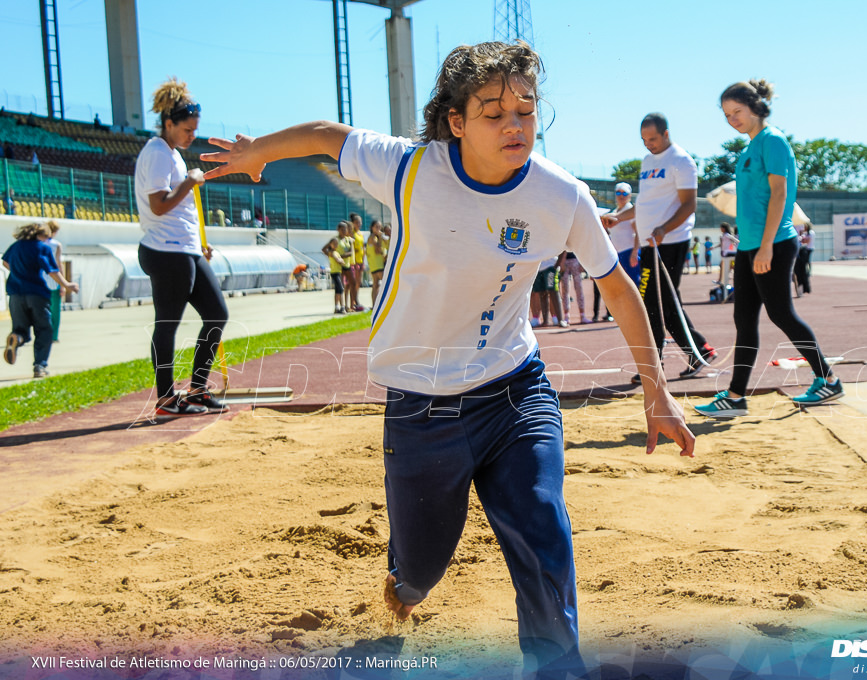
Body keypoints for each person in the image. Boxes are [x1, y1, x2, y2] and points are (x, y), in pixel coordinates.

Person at [202, 40, 694, 680]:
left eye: (525, 109)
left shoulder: (561, 195)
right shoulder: (409, 168)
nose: (515, 125)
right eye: (493, 113)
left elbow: (619, 289)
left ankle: (558, 666)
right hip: (421, 406)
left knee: (542, 527)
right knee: (422, 569)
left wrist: (658, 392)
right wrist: (255, 152)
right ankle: (403, 584)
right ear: (456, 122)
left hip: (516, 390)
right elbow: (327, 135)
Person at [696, 79, 842, 419]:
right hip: (750, 246)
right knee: (743, 319)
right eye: (727, 114)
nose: (732, 119)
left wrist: (765, 248)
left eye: (738, 112)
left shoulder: (773, 141)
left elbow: (780, 195)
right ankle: (735, 397)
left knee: (781, 314)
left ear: (756, 107)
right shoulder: (749, 149)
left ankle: (828, 378)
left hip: (773, 243)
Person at [134, 77, 229, 418]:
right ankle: (165, 398)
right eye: (187, 130)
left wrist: (196, 243)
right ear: (168, 123)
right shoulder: (158, 154)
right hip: (165, 250)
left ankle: (198, 389)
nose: (192, 136)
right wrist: (190, 180)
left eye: (194, 130)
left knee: (217, 313)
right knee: (168, 323)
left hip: (184, 247)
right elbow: (159, 205)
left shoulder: (170, 152)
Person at [601, 113, 716, 383]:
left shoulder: (681, 160)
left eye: (652, 139)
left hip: (670, 242)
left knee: (656, 302)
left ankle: (668, 360)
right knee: (656, 303)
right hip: (650, 244)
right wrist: (619, 217)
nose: (648, 144)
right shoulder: (647, 162)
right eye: (643, 140)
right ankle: (693, 351)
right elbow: (645, 204)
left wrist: (664, 228)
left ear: (666, 134)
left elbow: (689, 204)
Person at [3, 222, 79, 378]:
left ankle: (16, 338)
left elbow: (5, 262)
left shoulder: (16, 246)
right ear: (43, 235)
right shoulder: (41, 247)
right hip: (36, 294)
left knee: (20, 328)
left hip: (15, 294)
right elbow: (52, 270)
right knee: (44, 330)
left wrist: (19, 272)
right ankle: (40, 366)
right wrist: (66, 284)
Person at [594, 181, 640, 322]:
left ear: (629, 195)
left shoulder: (630, 211)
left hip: (628, 252)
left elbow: (639, 232)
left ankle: (637, 314)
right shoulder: (614, 212)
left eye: (624, 193)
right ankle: (624, 313)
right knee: (620, 286)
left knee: (633, 284)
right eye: (618, 193)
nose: (621, 196)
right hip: (617, 254)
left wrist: (634, 252)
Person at [44, 221, 64, 342]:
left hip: (40, 281)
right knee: (55, 311)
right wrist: (63, 284)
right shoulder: (56, 245)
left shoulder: (39, 243)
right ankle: (54, 336)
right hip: (54, 281)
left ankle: (43, 335)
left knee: (42, 311)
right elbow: (59, 265)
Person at [558, 250, 588, 324]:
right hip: (565, 261)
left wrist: (581, 263)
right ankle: (566, 316)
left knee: (579, 288)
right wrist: (562, 261)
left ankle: (582, 315)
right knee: (565, 289)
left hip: (575, 260)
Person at [365, 220, 388, 307]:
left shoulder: (376, 237)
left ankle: (375, 305)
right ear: (372, 228)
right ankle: (381, 303)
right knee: (385, 282)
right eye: (376, 227)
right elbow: (378, 249)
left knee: (376, 284)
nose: (379, 229)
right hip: (377, 263)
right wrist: (381, 237)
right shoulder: (372, 237)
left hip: (375, 263)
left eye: (379, 227)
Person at [322, 236, 346, 313]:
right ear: (330, 244)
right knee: (341, 289)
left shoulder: (336, 252)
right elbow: (337, 259)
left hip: (338, 272)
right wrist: (341, 261)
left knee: (338, 290)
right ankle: (342, 307)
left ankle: (337, 307)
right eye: (334, 244)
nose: (336, 245)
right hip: (335, 273)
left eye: (336, 243)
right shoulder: (332, 253)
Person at [348, 212, 366, 311]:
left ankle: (356, 299)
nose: (358, 224)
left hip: (360, 261)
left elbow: (363, 247)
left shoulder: (361, 234)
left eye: (360, 222)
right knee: (353, 283)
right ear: (353, 223)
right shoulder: (352, 233)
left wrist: (363, 260)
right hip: (354, 261)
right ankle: (354, 301)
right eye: (356, 222)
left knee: (358, 282)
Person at [716, 221, 739, 286]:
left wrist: (735, 244)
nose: (720, 229)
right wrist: (714, 247)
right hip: (724, 253)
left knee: (726, 267)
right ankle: (721, 280)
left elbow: (735, 240)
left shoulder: (727, 235)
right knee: (725, 267)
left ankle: (722, 280)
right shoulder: (723, 235)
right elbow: (721, 244)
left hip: (728, 253)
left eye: (721, 227)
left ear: (724, 228)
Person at [794, 222, 815, 295]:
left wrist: (801, 239)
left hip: (802, 250)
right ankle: (800, 287)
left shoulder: (801, 225)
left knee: (803, 269)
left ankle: (806, 288)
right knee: (797, 270)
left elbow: (805, 239)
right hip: (795, 250)